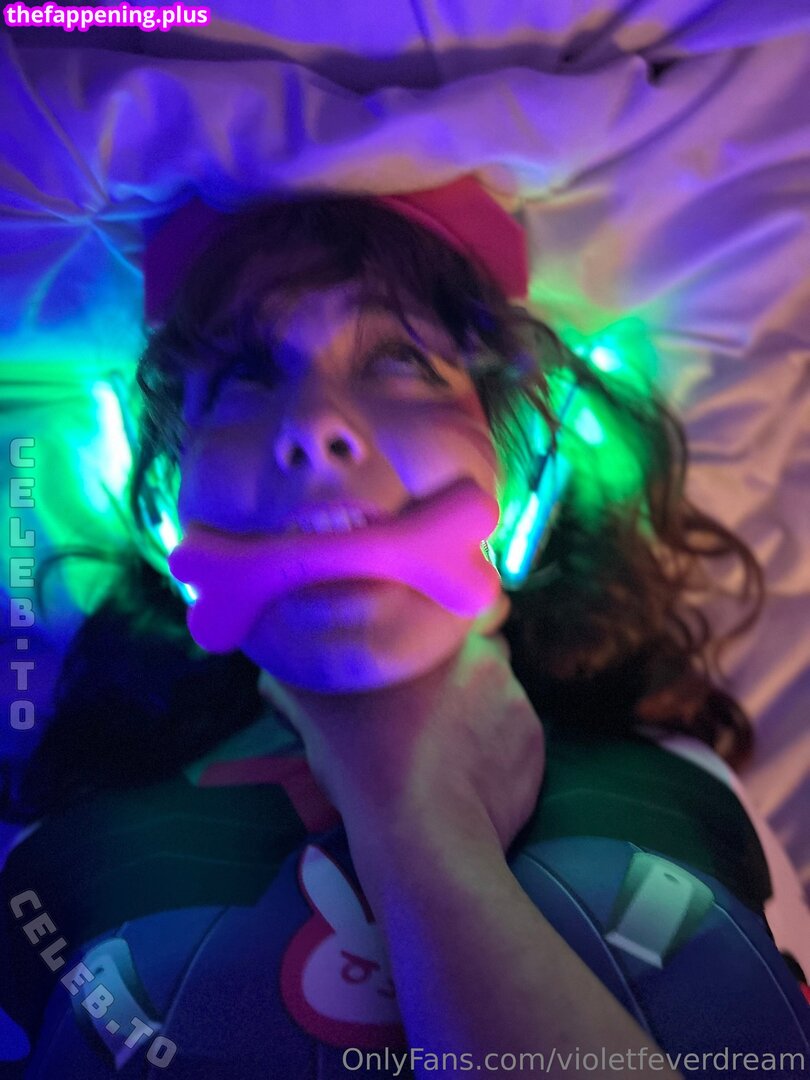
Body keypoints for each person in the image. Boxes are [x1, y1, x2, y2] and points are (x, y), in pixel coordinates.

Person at [1, 179, 808, 1080]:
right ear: (168, 501)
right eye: (246, 375)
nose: (314, 426)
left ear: (519, 476)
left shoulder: (686, 790)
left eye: (401, 360)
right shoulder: (52, 860)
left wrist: (422, 838)